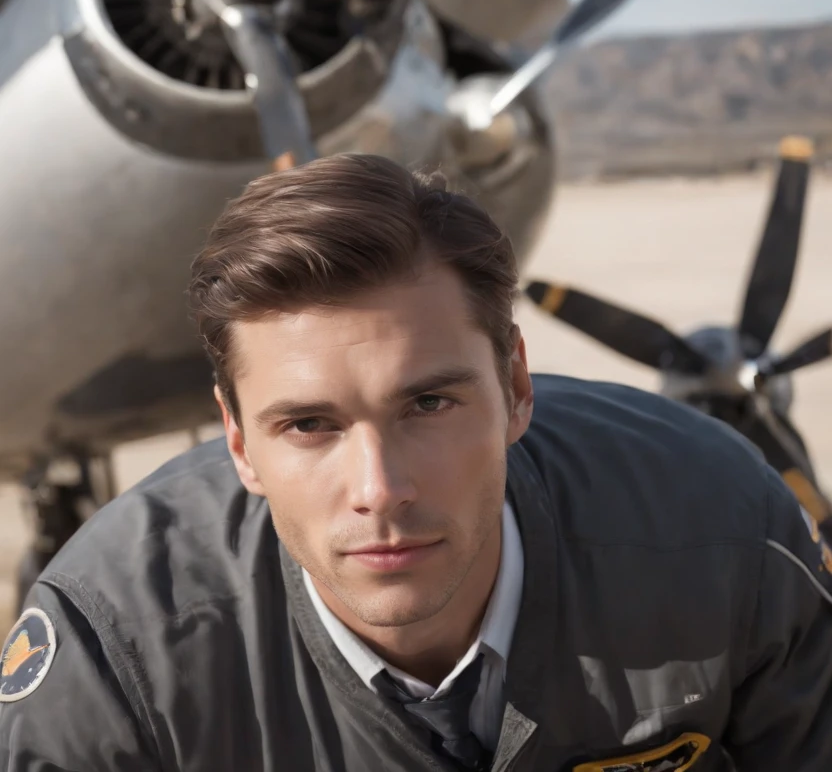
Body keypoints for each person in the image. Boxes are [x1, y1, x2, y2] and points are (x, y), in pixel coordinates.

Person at [1, 154, 831, 771]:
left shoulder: (722, 540)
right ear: (239, 441)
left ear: (515, 386)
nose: (380, 490)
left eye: (429, 405)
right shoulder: (115, 654)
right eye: (308, 425)